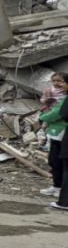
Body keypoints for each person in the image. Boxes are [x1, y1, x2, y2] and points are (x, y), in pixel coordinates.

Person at [41, 73, 68, 209]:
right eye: (55, 81)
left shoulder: (64, 97)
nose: (58, 84)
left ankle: (62, 193)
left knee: (60, 161)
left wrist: (43, 116)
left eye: (61, 81)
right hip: (54, 131)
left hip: (62, 131)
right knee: (53, 159)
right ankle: (57, 185)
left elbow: (59, 114)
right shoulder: (50, 94)